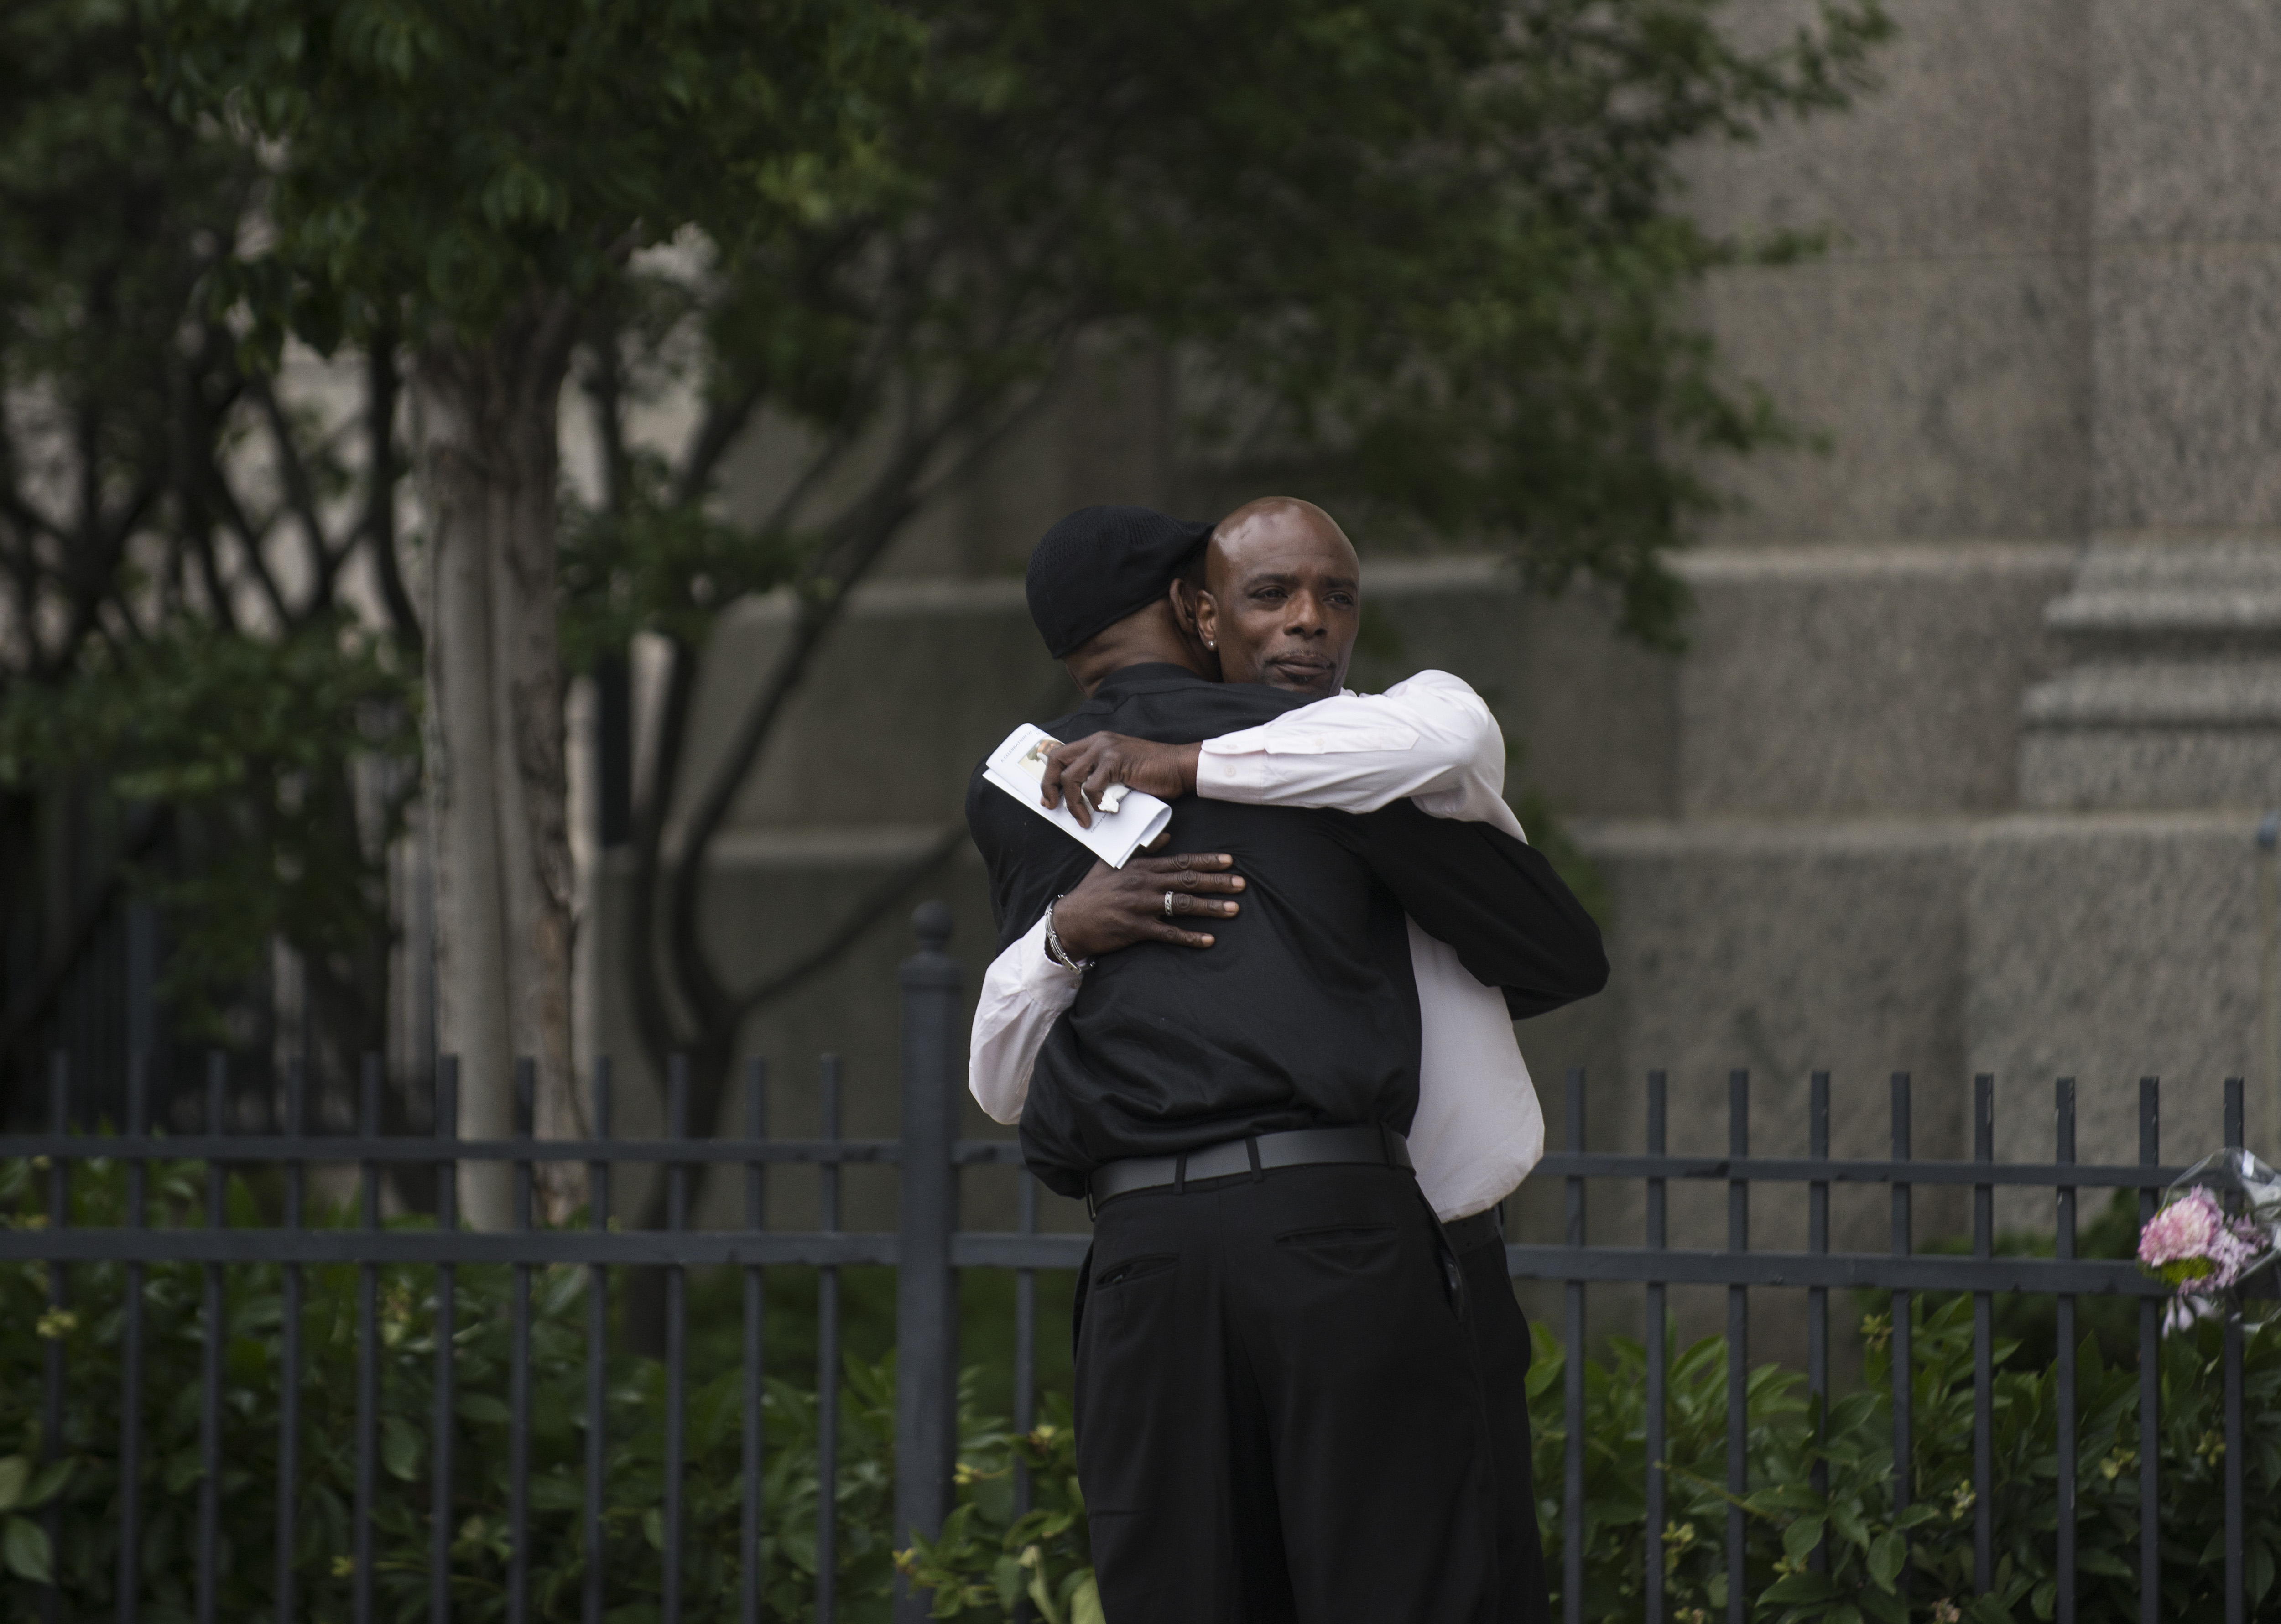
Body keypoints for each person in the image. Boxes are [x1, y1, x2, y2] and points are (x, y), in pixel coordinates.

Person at [963, 501, 1606, 1622]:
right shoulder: (1342, 754)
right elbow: (1556, 952)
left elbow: (999, 1087)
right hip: (1347, 1230)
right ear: (1192, 606)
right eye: (1267, 593)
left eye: (1333, 597)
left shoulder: (1023, 793)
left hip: (1141, 1259)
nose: (1307, 624)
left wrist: (1071, 922)